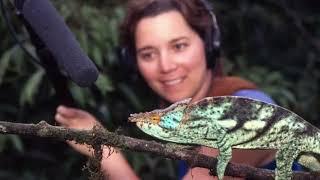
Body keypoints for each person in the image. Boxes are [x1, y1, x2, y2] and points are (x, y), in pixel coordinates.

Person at [55, 0, 300, 179]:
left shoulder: (240, 115)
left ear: (208, 45)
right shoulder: (191, 120)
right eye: (148, 54)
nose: (166, 66)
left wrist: (105, 148)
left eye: (179, 46)